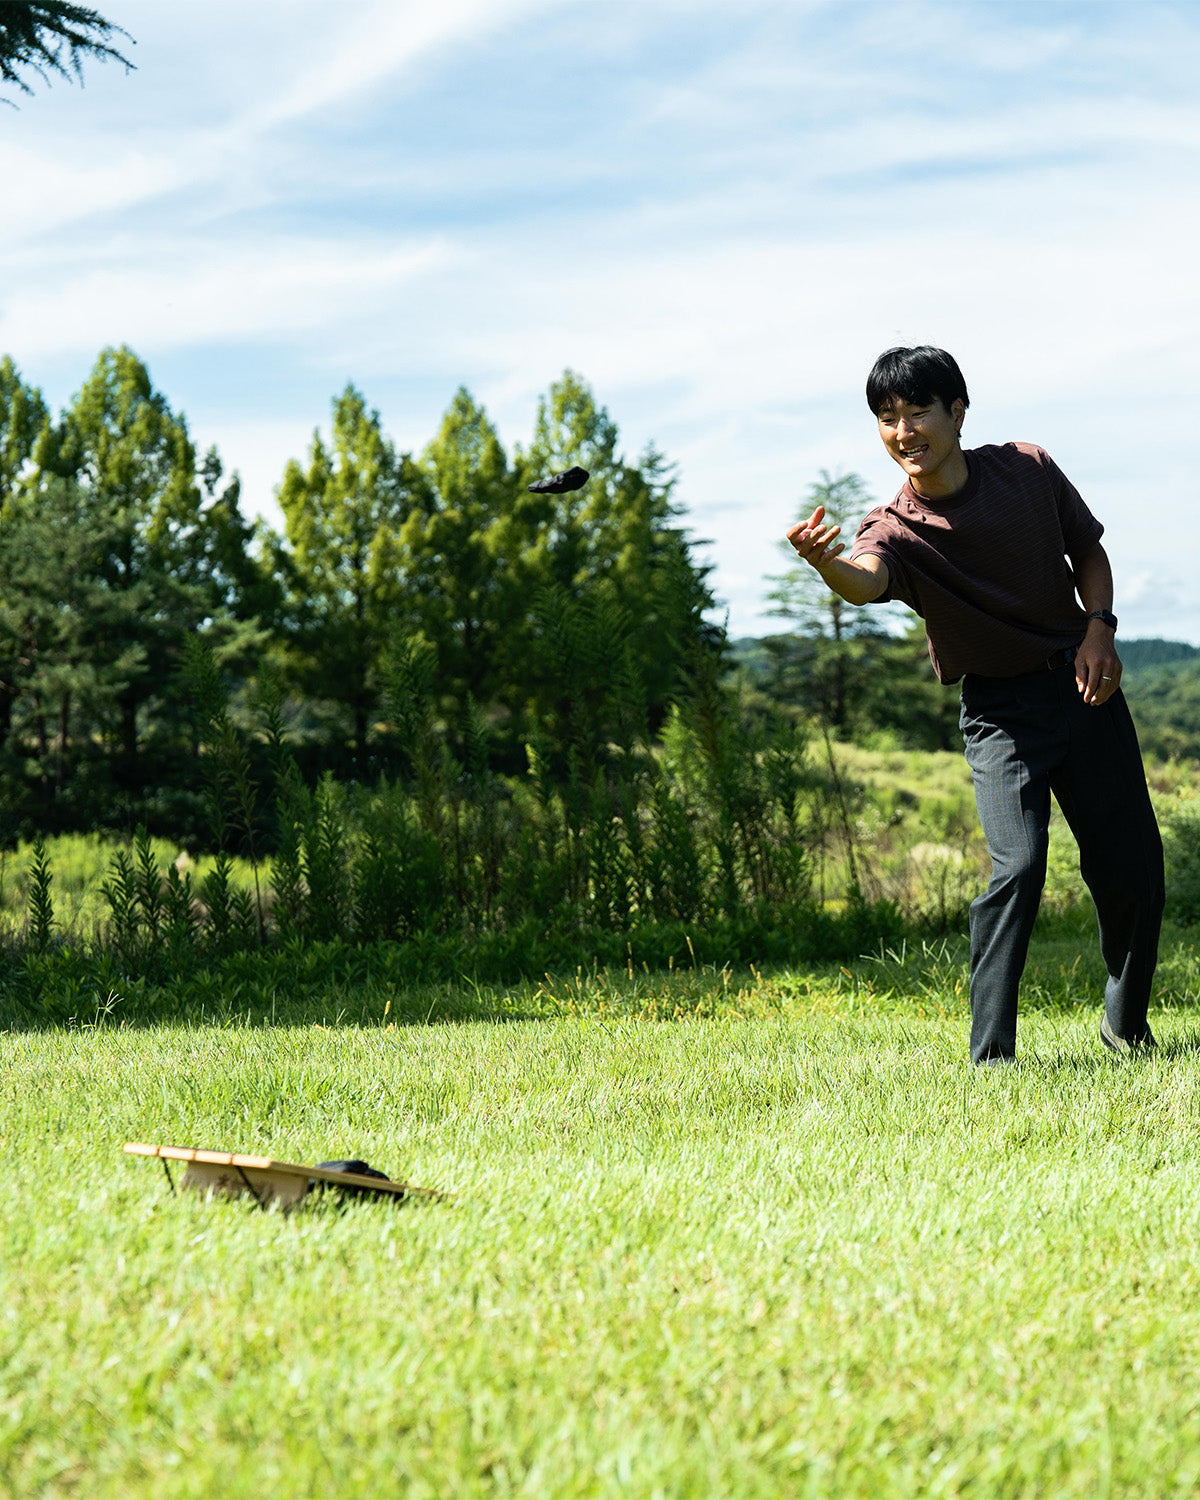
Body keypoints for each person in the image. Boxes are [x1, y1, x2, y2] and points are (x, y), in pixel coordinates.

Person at [785, 346, 1164, 1065]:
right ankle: (991, 1058)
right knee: (1017, 868)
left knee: (1133, 868)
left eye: (917, 411)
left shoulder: (1028, 469)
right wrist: (826, 563)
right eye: (886, 418)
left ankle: (1126, 1028)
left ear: (957, 411)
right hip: (999, 713)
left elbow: (1088, 553)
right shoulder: (893, 526)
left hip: (1082, 684)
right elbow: (866, 579)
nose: (903, 431)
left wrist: (1100, 630)